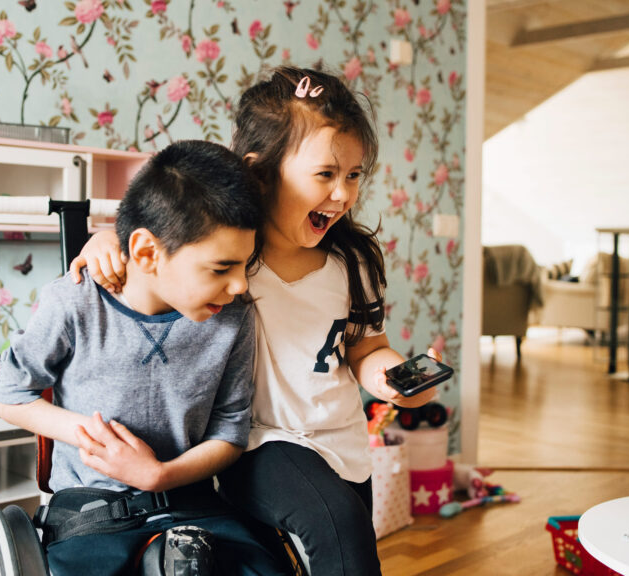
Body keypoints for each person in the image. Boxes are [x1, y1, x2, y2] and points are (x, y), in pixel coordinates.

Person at [71, 66, 440, 575]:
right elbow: (158, 236)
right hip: (256, 442)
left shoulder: (351, 262)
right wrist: (104, 240)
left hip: (341, 441)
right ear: (261, 171)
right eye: (325, 175)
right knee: (338, 529)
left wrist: (394, 381)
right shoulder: (229, 255)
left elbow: (365, 347)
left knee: (341, 552)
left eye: (354, 175)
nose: (343, 194)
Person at [0, 140, 288, 576]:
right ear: (148, 253)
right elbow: (9, 395)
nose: (241, 285)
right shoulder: (76, 301)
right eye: (222, 268)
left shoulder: (233, 319)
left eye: (245, 265)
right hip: (93, 512)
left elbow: (229, 433)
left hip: (192, 501)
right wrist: (93, 437)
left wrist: (158, 476)